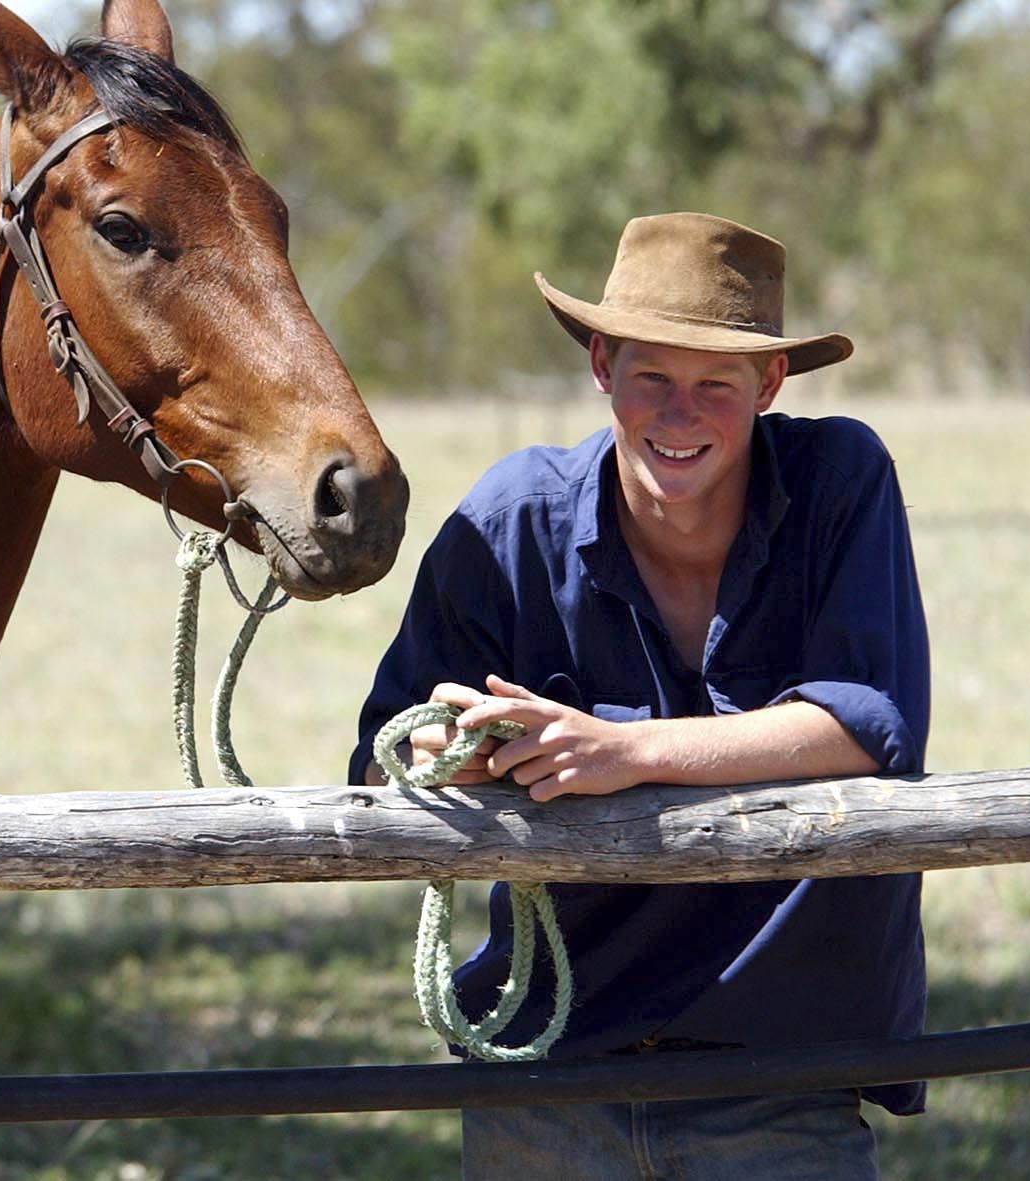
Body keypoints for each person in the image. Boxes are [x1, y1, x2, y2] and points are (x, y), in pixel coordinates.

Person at [350, 212, 929, 1179]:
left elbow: (866, 724)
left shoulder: (842, 481)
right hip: (548, 1075)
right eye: (651, 378)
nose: (680, 413)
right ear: (602, 367)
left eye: (716, 385)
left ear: (771, 385)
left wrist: (620, 753)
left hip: (784, 1068)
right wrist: (459, 752)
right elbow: (383, 752)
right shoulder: (506, 524)